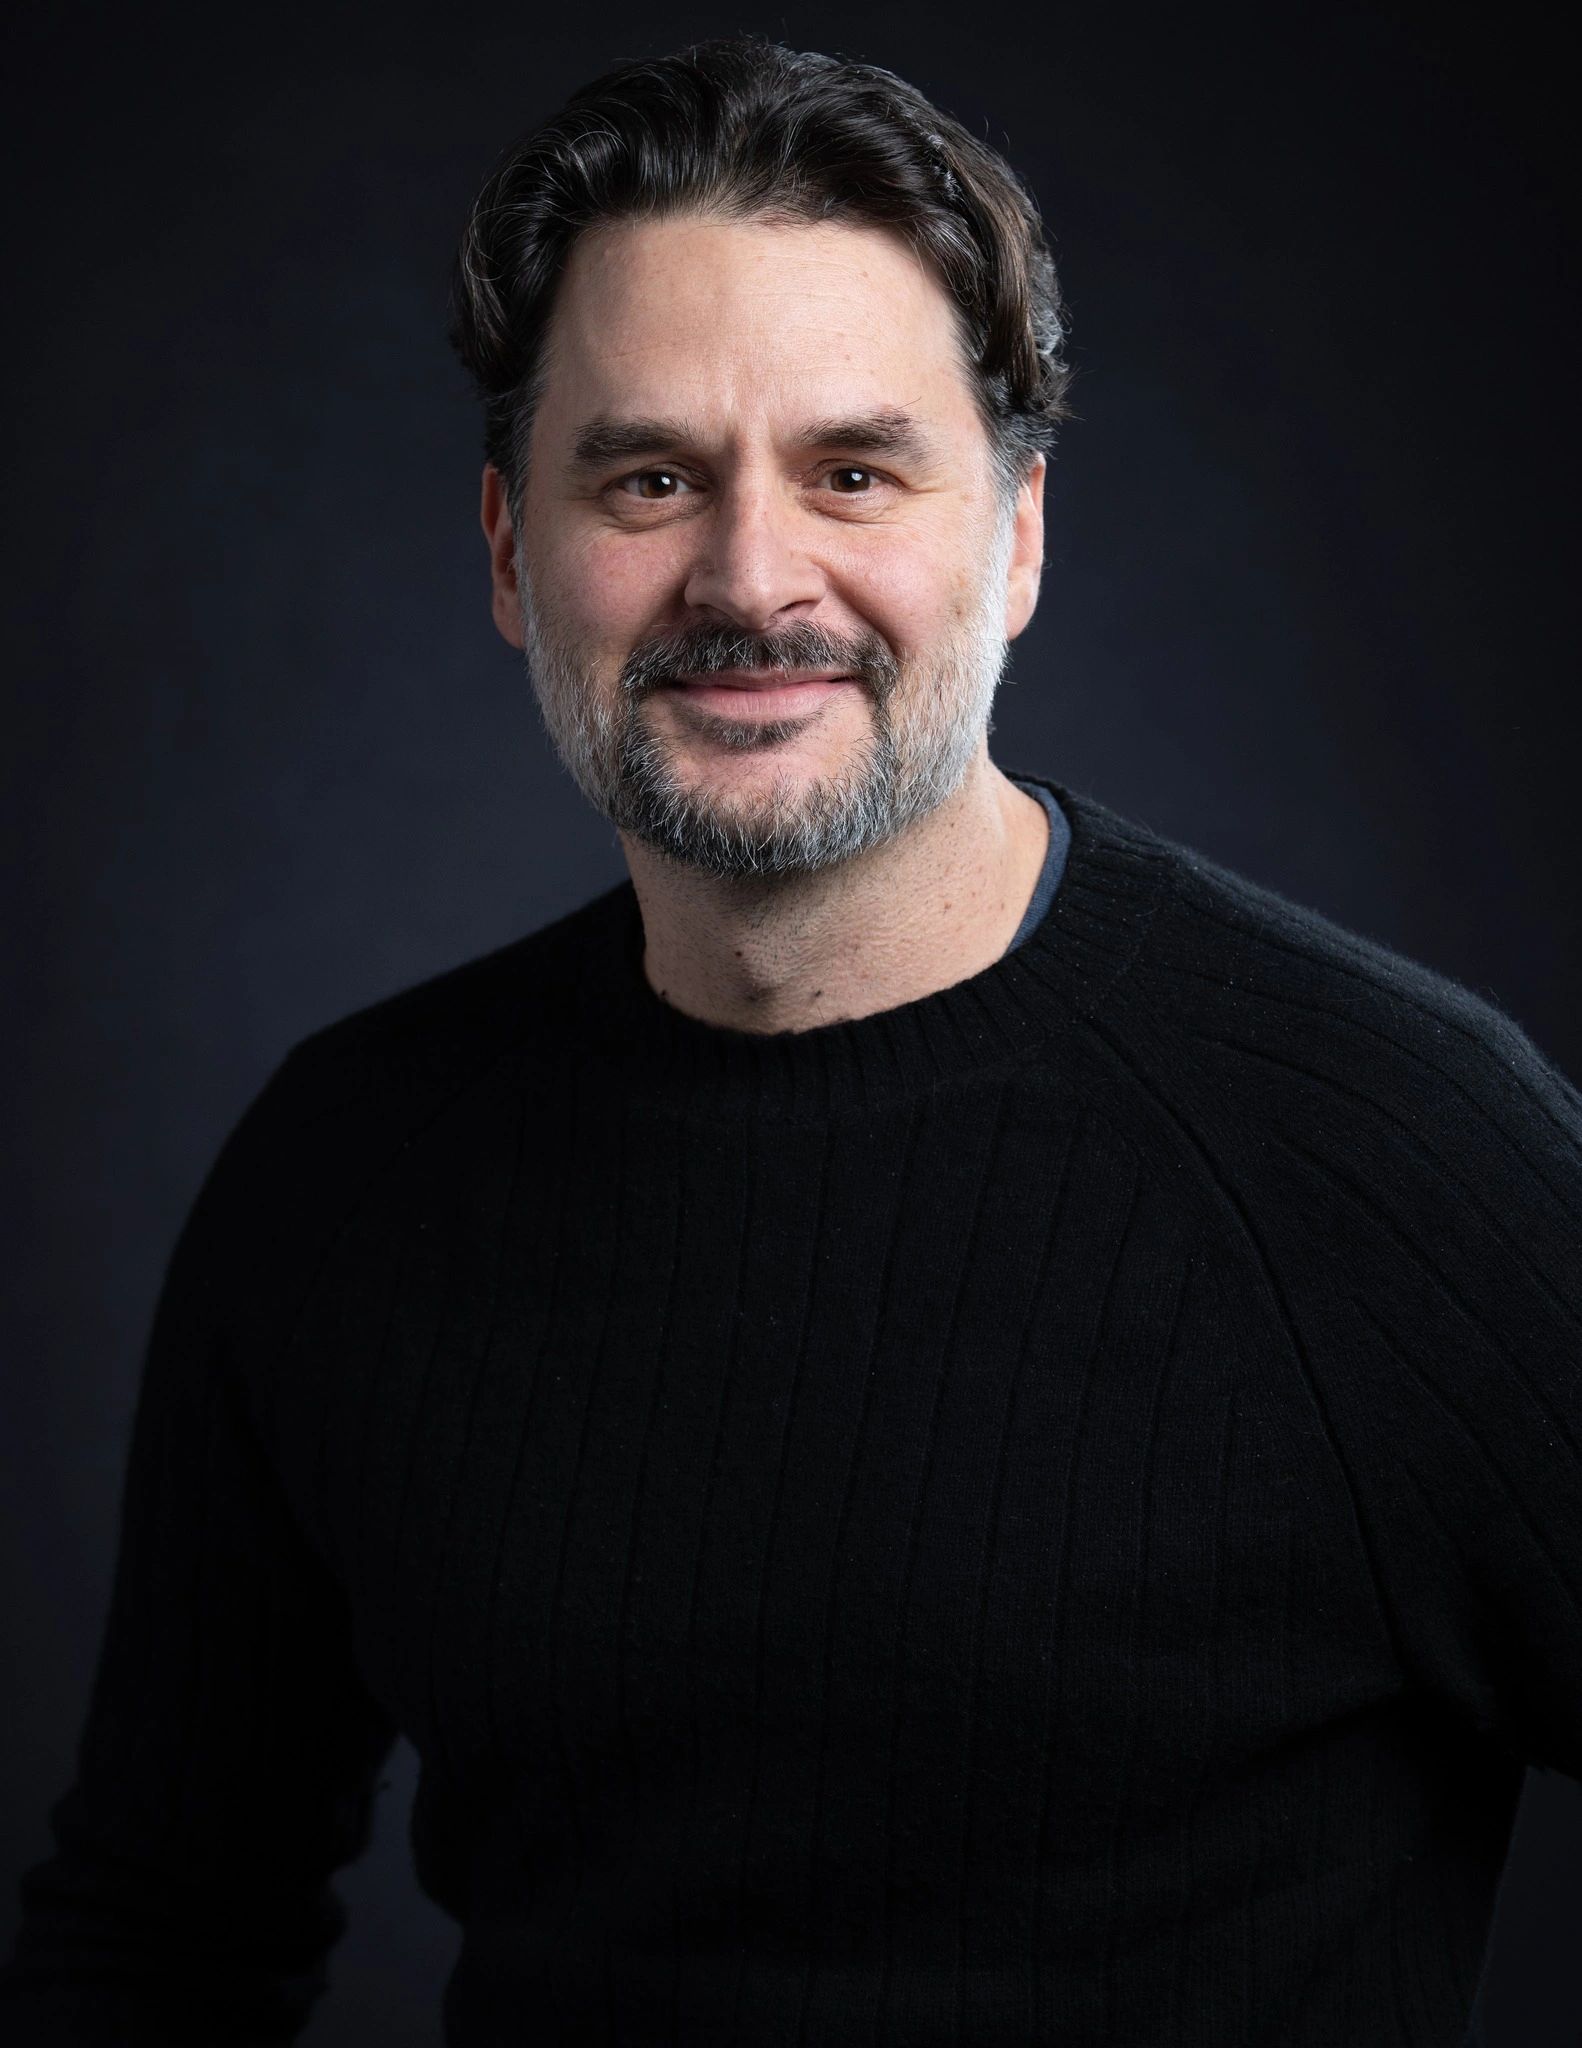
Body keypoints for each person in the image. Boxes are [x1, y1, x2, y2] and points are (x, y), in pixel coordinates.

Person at [2, 35, 1575, 2047]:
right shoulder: (347, 1174)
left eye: (853, 470)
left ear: (1011, 534)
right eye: (647, 477)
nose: (750, 578)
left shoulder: (1388, 1152)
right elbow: (157, 1940)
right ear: (509, 554)